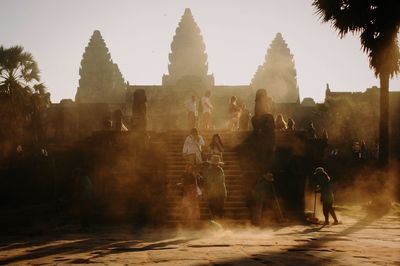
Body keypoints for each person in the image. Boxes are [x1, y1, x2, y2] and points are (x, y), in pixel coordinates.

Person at [203, 155, 227, 219]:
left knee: (217, 209)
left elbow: (215, 181)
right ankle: (216, 223)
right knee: (214, 209)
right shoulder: (212, 170)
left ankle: (218, 223)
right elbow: (208, 181)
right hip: (215, 193)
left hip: (218, 193)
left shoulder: (219, 170)